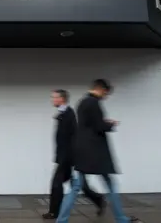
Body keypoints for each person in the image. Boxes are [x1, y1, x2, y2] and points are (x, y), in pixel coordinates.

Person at [56, 79, 138, 223]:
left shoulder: (82, 102)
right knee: (111, 185)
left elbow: (88, 125)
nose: (106, 96)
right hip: (95, 153)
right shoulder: (93, 103)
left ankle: (61, 220)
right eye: (106, 93)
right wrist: (110, 124)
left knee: (75, 188)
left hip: (83, 151)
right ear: (101, 89)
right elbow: (98, 126)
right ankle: (120, 218)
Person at [42, 89, 105, 219]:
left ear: (62, 99)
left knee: (56, 184)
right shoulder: (63, 113)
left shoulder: (68, 114)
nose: (52, 100)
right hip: (66, 157)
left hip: (68, 157)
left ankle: (54, 212)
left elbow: (72, 137)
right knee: (80, 185)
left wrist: (67, 158)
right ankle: (98, 199)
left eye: (54, 97)